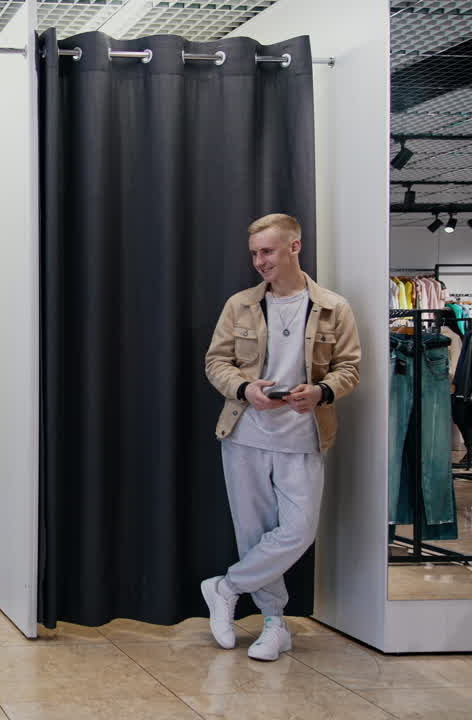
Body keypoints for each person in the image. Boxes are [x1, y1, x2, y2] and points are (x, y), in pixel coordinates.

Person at [202, 213, 361, 661]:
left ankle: (225, 587)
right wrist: (245, 388)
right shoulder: (240, 305)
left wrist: (322, 391)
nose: (259, 261)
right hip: (245, 433)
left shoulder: (333, 307)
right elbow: (216, 362)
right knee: (253, 534)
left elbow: (350, 368)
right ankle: (274, 624)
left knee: (297, 531)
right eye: (254, 253)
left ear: (295, 247)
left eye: (267, 251)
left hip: (304, 437)